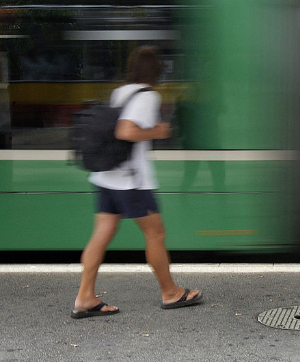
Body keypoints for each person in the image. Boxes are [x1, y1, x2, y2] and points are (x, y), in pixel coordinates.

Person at [71, 45, 202, 319]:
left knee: (100, 235)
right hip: (132, 181)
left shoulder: (121, 91)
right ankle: (170, 293)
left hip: (106, 176)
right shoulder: (147, 95)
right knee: (156, 234)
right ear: (156, 71)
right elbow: (126, 130)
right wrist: (159, 130)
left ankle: (84, 296)